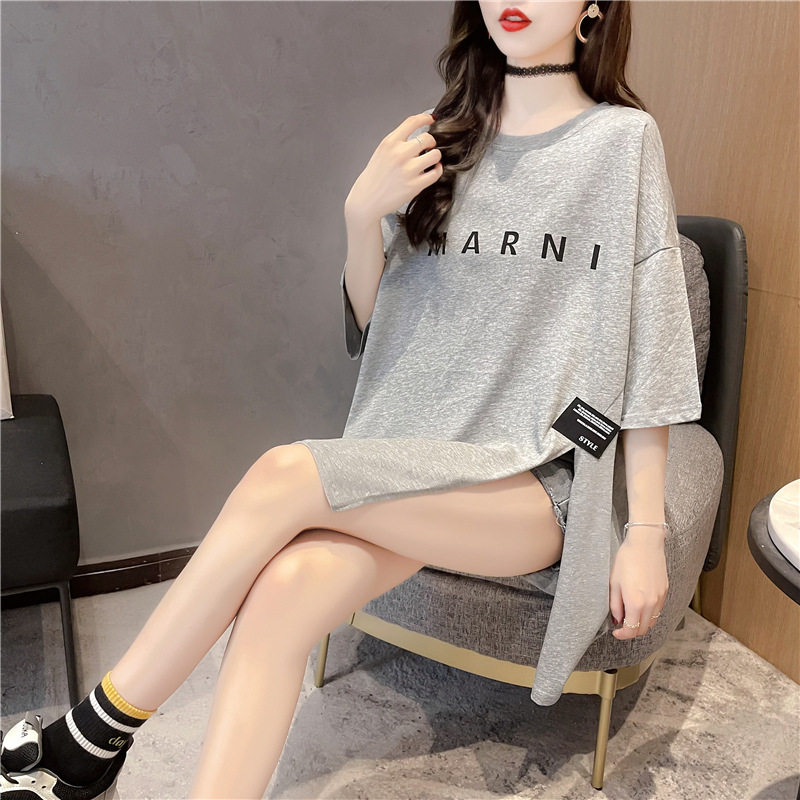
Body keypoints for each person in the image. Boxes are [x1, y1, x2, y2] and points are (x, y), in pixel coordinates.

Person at [1, 1, 702, 797]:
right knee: (282, 594)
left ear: (594, 8)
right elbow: (382, 327)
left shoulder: (621, 143)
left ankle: (93, 736)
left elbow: (650, 351)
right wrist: (361, 215)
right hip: (420, 459)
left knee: (285, 473)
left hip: (538, 485)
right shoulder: (441, 141)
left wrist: (645, 533)